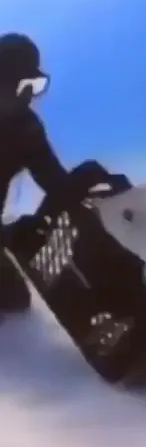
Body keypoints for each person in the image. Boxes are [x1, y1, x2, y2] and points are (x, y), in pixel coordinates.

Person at [0, 33, 70, 314]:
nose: (29, 96)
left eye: (34, 85)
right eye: (21, 85)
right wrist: (9, 235)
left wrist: (86, 183)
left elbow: (56, 182)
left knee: (15, 302)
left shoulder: (25, 129)